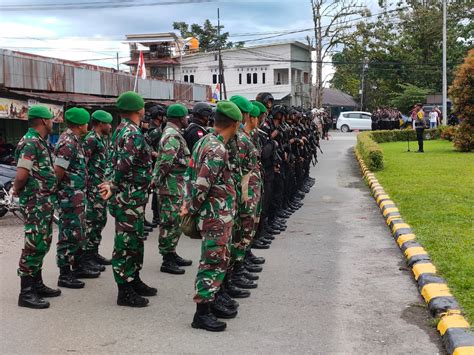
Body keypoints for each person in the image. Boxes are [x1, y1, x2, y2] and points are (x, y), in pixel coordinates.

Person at [181, 100, 241, 332]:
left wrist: (189, 203)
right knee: (213, 261)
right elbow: (202, 184)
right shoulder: (217, 149)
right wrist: (191, 208)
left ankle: (213, 301)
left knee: (218, 259)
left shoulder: (205, 140)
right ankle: (202, 313)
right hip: (215, 216)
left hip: (216, 214)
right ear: (234, 124)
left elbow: (189, 174)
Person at [100, 91, 157, 307]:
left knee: (134, 239)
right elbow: (124, 163)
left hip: (132, 196)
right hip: (129, 197)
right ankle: (124, 290)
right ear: (138, 109)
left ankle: (134, 279)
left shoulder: (121, 129)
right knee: (126, 242)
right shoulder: (132, 133)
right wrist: (113, 185)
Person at [13, 105, 61, 309]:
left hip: (43, 201)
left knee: (42, 242)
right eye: (50, 119)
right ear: (43, 121)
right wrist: (16, 189)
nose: (52, 122)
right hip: (35, 202)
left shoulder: (39, 141)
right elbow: (22, 174)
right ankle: (26, 292)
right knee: (33, 244)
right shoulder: (30, 143)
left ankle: (37, 284)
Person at [54, 107, 100, 289]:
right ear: (81, 124)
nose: (87, 125)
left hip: (77, 196)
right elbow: (58, 172)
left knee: (78, 232)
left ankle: (77, 266)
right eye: (86, 122)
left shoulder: (75, 140)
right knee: (68, 234)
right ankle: (64, 274)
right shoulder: (67, 143)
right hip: (69, 197)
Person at [154, 103, 192, 275]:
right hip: (170, 186)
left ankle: (172, 253)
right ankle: (167, 260)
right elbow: (165, 162)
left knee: (175, 222)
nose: (187, 119)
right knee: (170, 222)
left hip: (175, 185)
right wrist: (156, 180)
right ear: (179, 118)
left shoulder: (174, 134)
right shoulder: (172, 135)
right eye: (185, 116)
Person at [82, 110, 113, 270]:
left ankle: (94, 252)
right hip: (93, 188)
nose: (110, 126)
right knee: (92, 221)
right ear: (100, 124)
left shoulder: (102, 139)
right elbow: (84, 163)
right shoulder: (91, 139)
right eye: (108, 123)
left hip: (101, 187)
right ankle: (86, 256)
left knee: (100, 220)